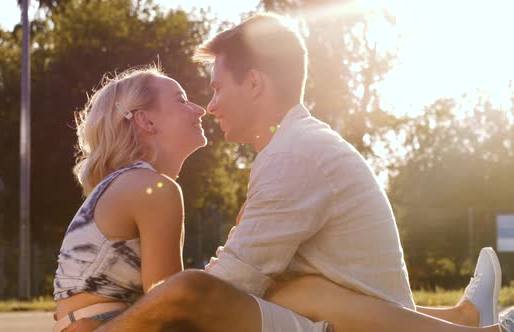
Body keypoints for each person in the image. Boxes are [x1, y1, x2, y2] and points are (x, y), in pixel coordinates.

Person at [91, 13, 514, 332]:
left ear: (255, 84)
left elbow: (227, 285)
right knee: (292, 290)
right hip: (357, 313)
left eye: (217, 88)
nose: (211, 105)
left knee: (219, 298)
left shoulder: (294, 156)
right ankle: (466, 318)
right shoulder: (293, 146)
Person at [52, 65, 207, 332]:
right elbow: (168, 308)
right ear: (146, 121)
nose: (200, 109)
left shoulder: (125, 184)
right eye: (181, 100)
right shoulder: (153, 189)